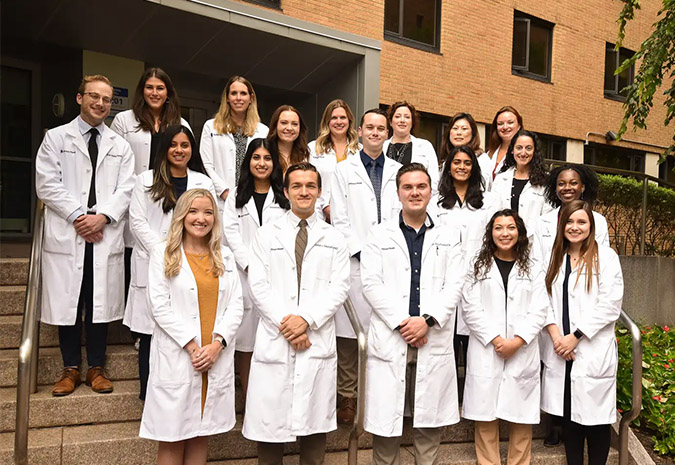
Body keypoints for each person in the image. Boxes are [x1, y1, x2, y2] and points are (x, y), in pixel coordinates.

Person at [243, 162, 350, 465]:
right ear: (287, 191)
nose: (304, 192)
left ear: (319, 191)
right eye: (297, 186)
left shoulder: (335, 238)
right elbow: (258, 285)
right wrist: (287, 325)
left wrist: (306, 321)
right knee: (270, 430)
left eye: (310, 186)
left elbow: (339, 288)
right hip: (277, 339)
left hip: (314, 337)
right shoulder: (266, 234)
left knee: (315, 428)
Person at [35, 75, 135, 396]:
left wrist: (102, 217)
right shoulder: (56, 138)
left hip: (102, 233)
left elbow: (127, 188)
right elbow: (47, 183)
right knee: (70, 300)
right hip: (70, 232)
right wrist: (79, 216)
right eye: (94, 96)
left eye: (106, 99)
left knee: (97, 301)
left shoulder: (120, 145)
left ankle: (95, 367)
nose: (100, 103)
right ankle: (69, 369)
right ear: (80, 98)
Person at [360, 163, 464, 465]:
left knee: (428, 426)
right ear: (398, 193)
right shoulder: (379, 234)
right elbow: (371, 283)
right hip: (393, 335)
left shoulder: (449, 234)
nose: (415, 193)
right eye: (408, 187)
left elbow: (455, 283)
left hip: (432, 335)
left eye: (421, 187)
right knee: (386, 427)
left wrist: (427, 320)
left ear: (431, 191)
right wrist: (403, 322)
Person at [140, 188, 242, 465]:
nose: (201, 218)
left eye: (208, 212)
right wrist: (194, 347)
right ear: (182, 215)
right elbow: (159, 306)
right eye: (194, 211)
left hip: (213, 357)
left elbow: (236, 306)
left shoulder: (225, 256)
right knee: (172, 436)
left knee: (201, 433)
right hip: (181, 356)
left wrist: (217, 345)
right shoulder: (163, 253)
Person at [125, 125, 216, 400]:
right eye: (174, 145)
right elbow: (137, 221)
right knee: (152, 334)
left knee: (185, 328)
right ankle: (147, 396)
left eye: (185, 145)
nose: (179, 150)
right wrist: (164, 251)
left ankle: (182, 397)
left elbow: (210, 220)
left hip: (195, 262)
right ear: (164, 148)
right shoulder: (145, 180)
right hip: (154, 260)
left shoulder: (203, 182)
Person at [330, 108, 402, 424]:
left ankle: (375, 396)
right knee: (350, 333)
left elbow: (402, 215)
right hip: (356, 260)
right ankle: (347, 396)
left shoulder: (400, 171)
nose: (375, 132)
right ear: (359, 131)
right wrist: (363, 251)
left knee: (383, 331)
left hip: (391, 261)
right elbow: (340, 218)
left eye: (380, 128)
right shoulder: (342, 170)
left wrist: (386, 253)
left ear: (387, 134)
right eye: (369, 127)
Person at [461, 210, 548, 465]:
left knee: (521, 418)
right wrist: (496, 339)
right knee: (485, 416)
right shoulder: (477, 264)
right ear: (490, 233)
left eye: (510, 228)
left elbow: (540, 308)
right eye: (498, 228)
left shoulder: (533, 266)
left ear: (519, 232)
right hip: (487, 348)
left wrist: (517, 341)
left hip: (522, 349)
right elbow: (469, 307)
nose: (505, 233)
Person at [541, 200, 623, 465]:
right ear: (561, 225)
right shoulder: (554, 257)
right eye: (569, 221)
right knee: (569, 419)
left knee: (597, 422)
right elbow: (542, 301)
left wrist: (574, 337)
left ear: (591, 226)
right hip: (561, 352)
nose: (574, 227)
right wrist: (557, 338)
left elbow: (610, 305)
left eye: (581, 222)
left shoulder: (606, 257)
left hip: (590, 349)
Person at [221, 138, 288, 403]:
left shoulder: (284, 196)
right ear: (248, 162)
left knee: (273, 340)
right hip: (244, 275)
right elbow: (231, 234)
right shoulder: (236, 196)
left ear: (275, 163)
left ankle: (273, 400)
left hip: (277, 276)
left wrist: (269, 266)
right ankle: (250, 401)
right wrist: (250, 264)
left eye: (267, 158)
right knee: (246, 343)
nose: (262, 163)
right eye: (256, 158)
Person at [430, 145, 495, 373]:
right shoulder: (435, 201)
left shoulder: (488, 200)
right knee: (444, 338)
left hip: (477, 276)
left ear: (474, 168)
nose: (462, 167)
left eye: (467, 163)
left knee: (473, 340)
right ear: (448, 167)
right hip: (443, 276)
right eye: (457, 162)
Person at [201, 76, 268, 202]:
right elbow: (206, 164)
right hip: (220, 197)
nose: (238, 98)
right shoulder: (211, 126)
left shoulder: (263, 131)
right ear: (227, 98)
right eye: (233, 93)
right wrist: (224, 192)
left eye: (243, 93)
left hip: (252, 196)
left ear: (251, 98)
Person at [111, 67, 190, 175]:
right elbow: (112, 160)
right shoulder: (123, 120)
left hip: (170, 188)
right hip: (133, 188)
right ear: (142, 91)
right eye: (149, 87)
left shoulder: (181, 123)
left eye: (160, 88)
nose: (154, 93)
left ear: (168, 93)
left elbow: (189, 160)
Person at [532, 164, 610, 266]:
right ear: (555, 189)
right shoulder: (542, 222)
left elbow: (602, 259)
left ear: (582, 187)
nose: (567, 188)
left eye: (573, 183)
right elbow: (536, 261)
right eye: (561, 184)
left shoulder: (598, 221)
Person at [492, 130, 553, 237]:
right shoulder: (500, 179)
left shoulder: (545, 181)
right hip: (504, 240)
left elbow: (547, 217)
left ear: (535, 151)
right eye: (519, 148)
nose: (523, 153)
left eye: (528, 148)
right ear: (512, 150)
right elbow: (494, 212)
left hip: (533, 242)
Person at [309, 99, 361, 222]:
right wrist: (324, 206)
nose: (339, 122)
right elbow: (309, 182)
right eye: (334, 118)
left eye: (343, 117)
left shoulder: (360, 151)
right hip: (319, 214)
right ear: (327, 122)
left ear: (349, 120)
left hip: (352, 216)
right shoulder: (313, 149)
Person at [382, 101, 440, 191]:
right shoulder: (381, 147)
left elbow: (434, 180)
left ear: (412, 122)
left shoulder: (425, 146)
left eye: (407, 117)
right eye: (397, 116)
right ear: (390, 122)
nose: (402, 120)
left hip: (416, 199)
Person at [479, 106, 523, 190]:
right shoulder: (489, 154)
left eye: (510, 122)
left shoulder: (524, 154)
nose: (505, 127)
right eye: (500, 124)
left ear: (519, 126)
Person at [267, 105, 310, 174]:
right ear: (275, 125)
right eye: (284, 123)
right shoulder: (264, 152)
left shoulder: (307, 156)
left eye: (294, 124)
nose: (289, 128)